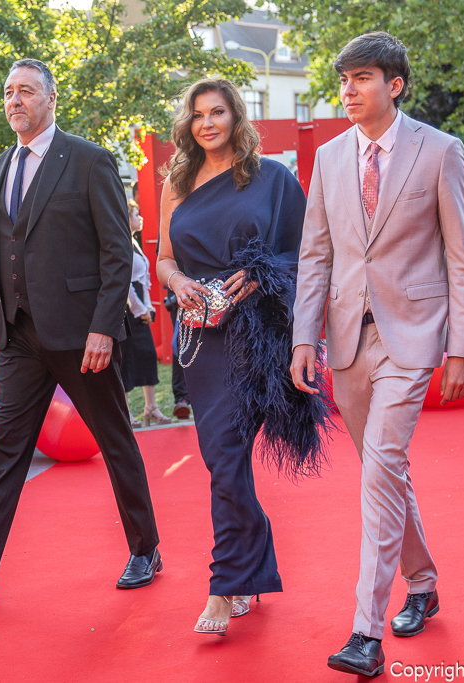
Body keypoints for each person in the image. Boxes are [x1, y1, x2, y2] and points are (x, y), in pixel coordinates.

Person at [0, 58, 161, 607]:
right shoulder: (2, 163)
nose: (15, 100)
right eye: (9, 92)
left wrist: (104, 328)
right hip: (20, 336)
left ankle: (145, 548)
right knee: (5, 451)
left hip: (81, 336)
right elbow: (2, 250)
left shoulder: (89, 159)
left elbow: (115, 252)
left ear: (51, 98)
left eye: (26, 91)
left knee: (114, 439)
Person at [290, 33, 464, 676]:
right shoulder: (329, 156)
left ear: (394, 85)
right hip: (348, 340)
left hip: (414, 336)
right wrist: (303, 337)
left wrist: (461, 347)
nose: (348, 90)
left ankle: (365, 633)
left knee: (380, 470)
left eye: (362, 78)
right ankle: (422, 583)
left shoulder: (440, 150)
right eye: (343, 80)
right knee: (385, 471)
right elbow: (316, 254)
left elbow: (462, 257)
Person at [157, 78, 331, 636]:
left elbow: (308, 253)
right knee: (220, 458)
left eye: (217, 112)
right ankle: (251, 566)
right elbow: (163, 258)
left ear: (236, 117)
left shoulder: (272, 179)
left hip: (257, 337)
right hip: (198, 339)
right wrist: (177, 281)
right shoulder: (177, 182)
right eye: (197, 115)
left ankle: (224, 585)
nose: (207, 123)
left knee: (227, 456)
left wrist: (261, 275)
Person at [120, 201, 170, 428]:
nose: (140, 218)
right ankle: (126, 412)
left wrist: (149, 307)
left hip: (140, 306)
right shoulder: (120, 244)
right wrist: (140, 309)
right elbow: (125, 282)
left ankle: (151, 407)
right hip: (126, 310)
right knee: (126, 359)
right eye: (136, 214)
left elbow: (144, 280)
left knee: (148, 354)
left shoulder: (135, 243)